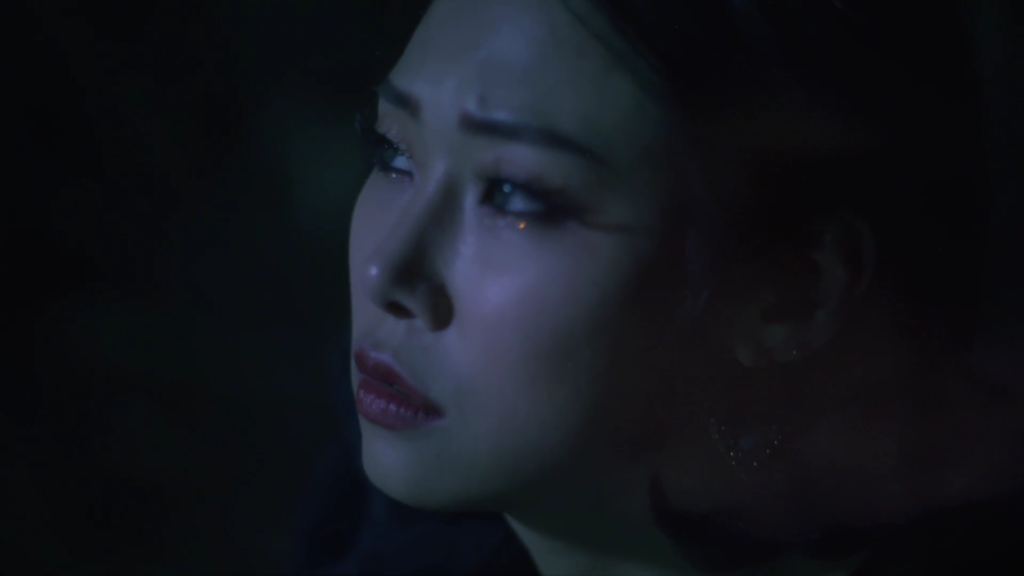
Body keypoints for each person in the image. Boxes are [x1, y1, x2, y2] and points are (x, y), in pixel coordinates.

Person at [338, 0, 1024, 574]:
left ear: (792, 294)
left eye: (516, 196)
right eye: (393, 152)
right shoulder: (388, 535)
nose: (386, 271)